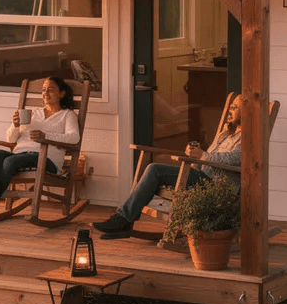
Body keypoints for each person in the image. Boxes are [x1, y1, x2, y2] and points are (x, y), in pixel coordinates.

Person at [92, 95, 242, 236]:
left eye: (235, 107)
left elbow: (236, 158)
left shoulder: (247, 136)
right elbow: (208, 158)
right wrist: (194, 156)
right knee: (154, 169)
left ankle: (123, 219)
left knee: (155, 170)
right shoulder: (226, 133)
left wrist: (203, 156)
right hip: (201, 176)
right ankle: (124, 219)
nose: (230, 110)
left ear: (246, 112)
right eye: (230, 106)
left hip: (216, 185)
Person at [0, 76, 80, 232]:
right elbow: (10, 139)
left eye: (50, 90)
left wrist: (46, 137)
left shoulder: (67, 115)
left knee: (9, 163)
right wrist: (15, 125)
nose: (45, 93)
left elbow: (74, 138)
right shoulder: (34, 113)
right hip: (21, 155)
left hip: (46, 159)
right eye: (43, 90)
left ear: (62, 93)